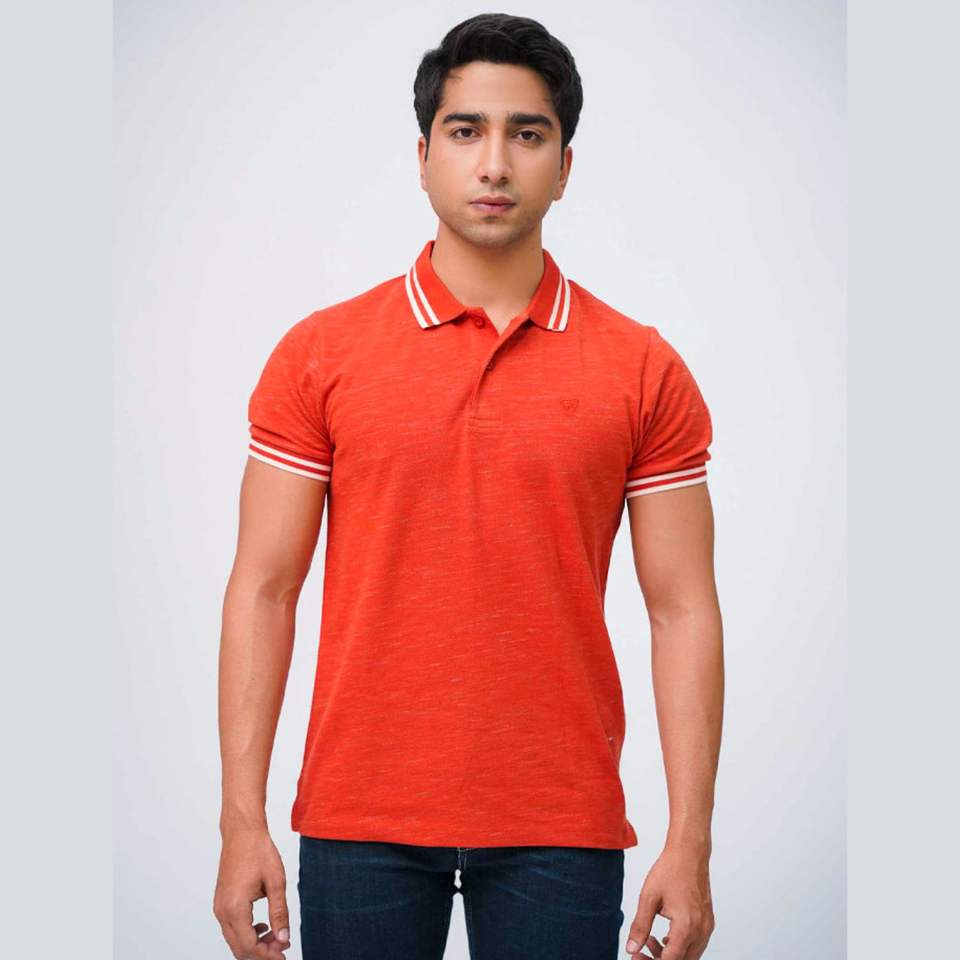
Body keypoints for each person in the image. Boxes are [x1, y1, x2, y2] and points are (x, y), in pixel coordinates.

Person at [213, 12, 722, 960]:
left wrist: (690, 842)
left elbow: (683, 609)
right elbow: (264, 588)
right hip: (359, 813)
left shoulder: (642, 370)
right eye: (465, 131)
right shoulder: (321, 355)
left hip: (561, 819)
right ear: (423, 157)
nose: (494, 164)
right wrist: (241, 820)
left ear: (564, 167)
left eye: (527, 134)